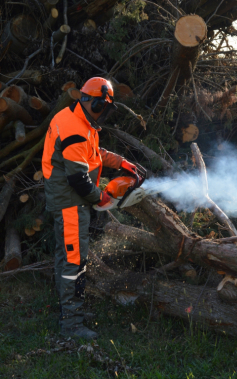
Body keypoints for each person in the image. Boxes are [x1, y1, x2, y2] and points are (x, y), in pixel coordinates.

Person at [42, 77, 137, 339]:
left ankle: (69, 311)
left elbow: (92, 153)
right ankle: (71, 324)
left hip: (69, 198)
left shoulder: (79, 120)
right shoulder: (74, 127)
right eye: (103, 107)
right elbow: (78, 179)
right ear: (95, 103)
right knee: (73, 261)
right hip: (70, 201)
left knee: (66, 258)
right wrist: (100, 199)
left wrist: (120, 162)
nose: (104, 113)